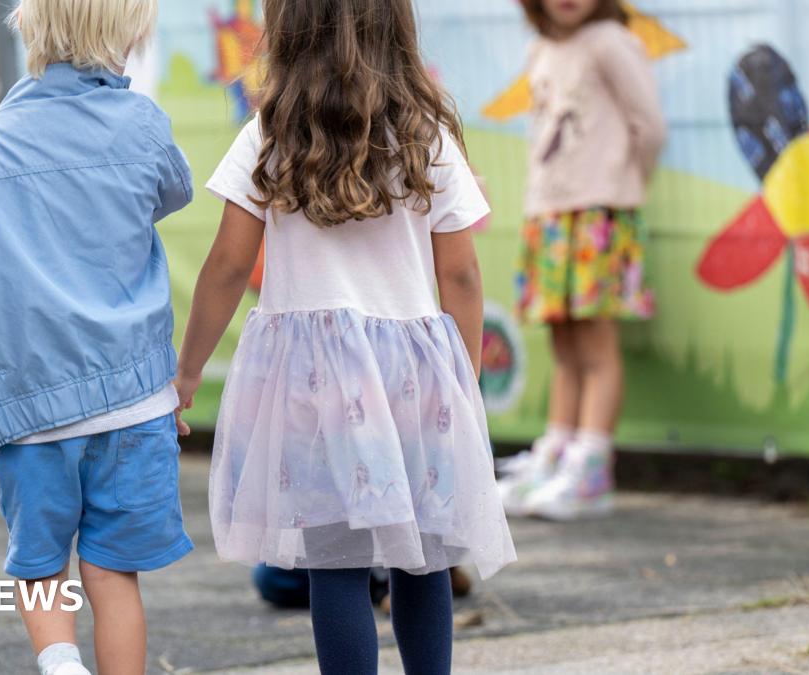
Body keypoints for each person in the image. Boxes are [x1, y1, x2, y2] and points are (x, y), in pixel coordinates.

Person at [173, 1, 517, 672]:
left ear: (288, 29)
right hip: (415, 381)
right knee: (423, 560)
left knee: (336, 568)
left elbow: (226, 265)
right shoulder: (429, 137)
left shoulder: (268, 135)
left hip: (314, 387)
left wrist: (187, 371)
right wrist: (464, 381)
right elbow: (463, 275)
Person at [0, 1, 195, 673]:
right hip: (135, 405)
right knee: (112, 574)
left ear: (29, 29)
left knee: (42, 565)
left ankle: (61, 663)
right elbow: (175, 190)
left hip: (31, 411)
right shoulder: (144, 128)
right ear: (131, 33)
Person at [500, 0, 667, 521]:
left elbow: (650, 127)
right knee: (564, 341)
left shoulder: (611, 43)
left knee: (595, 343)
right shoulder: (542, 49)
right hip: (550, 216)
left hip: (597, 214)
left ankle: (592, 465)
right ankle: (558, 451)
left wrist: (618, 188)